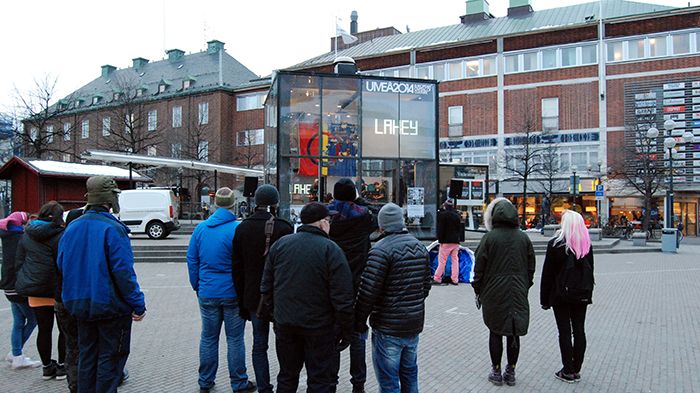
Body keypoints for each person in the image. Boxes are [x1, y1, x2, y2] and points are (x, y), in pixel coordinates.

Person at [57, 176, 146, 393]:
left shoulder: (72, 228)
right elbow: (123, 272)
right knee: (110, 358)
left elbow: (62, 265)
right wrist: (138, 303)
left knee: (87, 356)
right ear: (110, 198)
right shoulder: (113, 229)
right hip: (109, 306)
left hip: (79, 304)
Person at [261, 202, 354, 393]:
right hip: (320, 327)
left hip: (286, 324)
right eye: (328, 220)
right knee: (319, 380)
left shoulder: (281, 245)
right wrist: (346, 329)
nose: (330, 224)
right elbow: (342, 296)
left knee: (287, 377)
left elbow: (266, 286)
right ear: (321, 223)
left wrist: (275, 314)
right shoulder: (331, 249)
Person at [354, 203, 432, 393]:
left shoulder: (380, 250)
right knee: (410, 376)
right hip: (413, 324)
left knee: (389, 382)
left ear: (382, 226)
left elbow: (368, 292)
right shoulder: (420, 247)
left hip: (387, 326)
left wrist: (358, 321)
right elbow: (426, 286)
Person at [187, 187, 256, 393]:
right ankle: (238, 382)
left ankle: (205, 382)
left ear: (215, 204)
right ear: (233, 204)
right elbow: (244, 262)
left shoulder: (201, 229)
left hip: (208, 291)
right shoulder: (237, 229)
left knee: (208, 337)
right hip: (232, 292)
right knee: (235, 339)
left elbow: (192, 259)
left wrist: (197, 285)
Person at [232, 184, 293, 393]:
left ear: (255, 201)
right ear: (275, 202)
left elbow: (237, 269)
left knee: (259, 345)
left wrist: (241, 301)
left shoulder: (242, 228)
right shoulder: (284, 227)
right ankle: (285, 384)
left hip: (252, 297)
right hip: (279, 297)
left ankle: (264, 387)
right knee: (284, 344)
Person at [472, 197, 535, 387]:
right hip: (517, 289)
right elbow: (531, 266)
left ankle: (496, 370)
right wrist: (525, 284)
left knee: (495, 330)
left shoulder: (489, 238)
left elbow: (479, 267)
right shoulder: (523, 237)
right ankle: (511, 370)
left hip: (493, 291)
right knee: (514, 331)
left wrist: (478, 288)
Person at [327, 178, 377, 393]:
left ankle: (331, 382)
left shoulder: (326, 216)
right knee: (358, 333)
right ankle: (359, 384)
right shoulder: (364, 216)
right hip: (358, 281)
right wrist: (357, 198)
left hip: (331, 285)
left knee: (332, 334)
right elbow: (372, 210)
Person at [540, 210, 594, 383]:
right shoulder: (586, 245)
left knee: (564, 332)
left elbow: (547, 274)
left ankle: (568, 370)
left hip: (561, 295)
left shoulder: (556, 244)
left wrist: (544, 299)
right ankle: (576, 367)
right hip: (582, 294)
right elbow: (591, 270)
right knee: (579, 330)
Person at [15, 201, 67, 380]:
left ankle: (46, 367)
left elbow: (19, 261)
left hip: (35, 288)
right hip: (58, 289)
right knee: (64, 330)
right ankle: (62, 366)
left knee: (44, 329)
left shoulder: (27, 234)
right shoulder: (61, 234)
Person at [0, 211, 41, 369]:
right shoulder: (20, 239)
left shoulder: (7, 236)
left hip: (8, 285)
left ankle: (16, 353)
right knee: (32, 320)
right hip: (18, 286)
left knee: (18, 321)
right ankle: (16, 354)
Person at [434, 199, 462, 285]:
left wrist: (440, 240)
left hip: (446, 241)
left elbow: (441, 229)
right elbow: (459, 229)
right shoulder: (457, 215)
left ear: (445, 206)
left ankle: (437, 278)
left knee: (442, 261)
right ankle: (455, 279)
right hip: (455, 241)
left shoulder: (443, 215)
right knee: (455, 260)